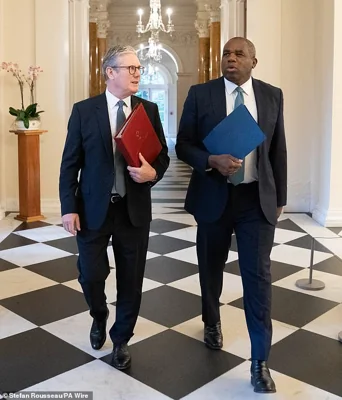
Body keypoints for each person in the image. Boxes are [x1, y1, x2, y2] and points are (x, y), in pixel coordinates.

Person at [176, 37, 287, 393]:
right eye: (226, 53)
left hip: (256, 200)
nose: (231, 58)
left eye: (239, 54)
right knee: (210, 267)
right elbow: (183, 145)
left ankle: (260, 361)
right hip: (214, 198)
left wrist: (280, 197)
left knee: (258, 278)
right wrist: (211, 161)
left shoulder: (272, 96)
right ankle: (211, 320)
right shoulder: (201, 94)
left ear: (255, 61)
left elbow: (278, 148)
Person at [59, 45, 169, 370]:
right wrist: (68, 207)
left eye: (139, 69)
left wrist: (153, 173)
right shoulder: (84, 110)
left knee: (131, 280)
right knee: (90, 275)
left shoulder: (148, 110)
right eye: (131, 68)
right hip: (92, 209)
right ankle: (99, 314)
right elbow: (70, 164)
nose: (138, 73)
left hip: (133, 210)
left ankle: (121, 340)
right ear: (110, 72)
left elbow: (160, 156)